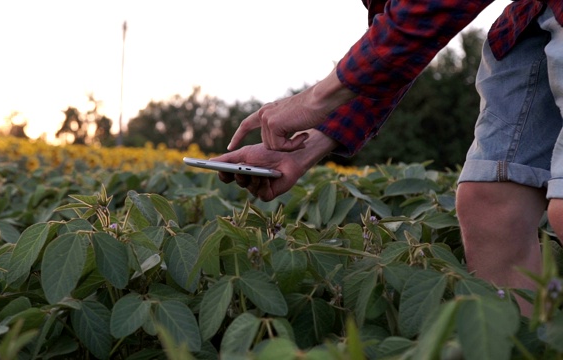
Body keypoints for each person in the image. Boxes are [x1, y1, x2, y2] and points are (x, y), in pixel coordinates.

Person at [212, 1, 563, 316]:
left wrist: (311, 100)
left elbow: (423, 15)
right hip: (533, 20)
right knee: (490, 205)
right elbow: (399, 47)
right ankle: (532, 345)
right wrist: (305, 146)